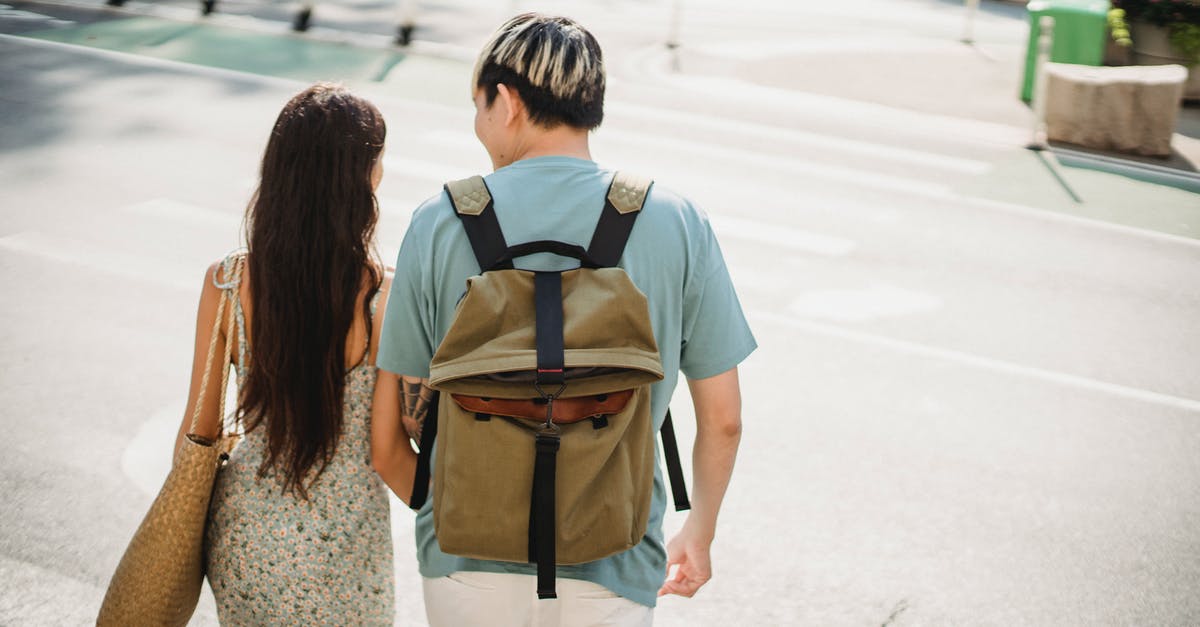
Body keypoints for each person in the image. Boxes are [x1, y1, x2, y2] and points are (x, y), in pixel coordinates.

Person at [370, 13, 755, 625]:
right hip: (615, 559)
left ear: (508, 101)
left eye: (479, 105)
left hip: (466, 562)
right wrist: (698, 530)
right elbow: (724, 420)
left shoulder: (439, 220)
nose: (479, 126)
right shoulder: (676, 220)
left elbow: (403, 419)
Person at [173, 82, 395, 624]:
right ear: (356, 180)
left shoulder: (226, 283)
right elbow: (396, 439)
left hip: (246, 532)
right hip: (345, 542)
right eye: (378, 162)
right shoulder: (383, 296)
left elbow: (198, 429)